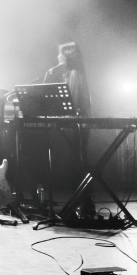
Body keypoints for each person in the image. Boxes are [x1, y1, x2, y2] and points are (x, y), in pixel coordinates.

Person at [43, 42, 96, 217]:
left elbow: (72, 104)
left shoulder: (74, 74)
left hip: (77, 126)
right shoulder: (71, 74)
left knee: (77, 166)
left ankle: (85, 204)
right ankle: (83, 204)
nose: (59, 56)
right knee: (77, 165)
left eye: (62, 53)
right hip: (76, 125)